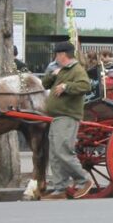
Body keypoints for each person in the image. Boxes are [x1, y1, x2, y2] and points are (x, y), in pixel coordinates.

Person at [40, 41, 94, 200]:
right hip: (57, 117)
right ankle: (60, 189)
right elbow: (44, 84)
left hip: (67, 116)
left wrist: (65, 86)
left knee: (63, 150)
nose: (55, 58)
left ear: (62, 55)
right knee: (55, 154)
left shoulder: (77, 69)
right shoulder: (61, 70)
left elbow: (85, 86)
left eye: (56, 55)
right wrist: (53, 74)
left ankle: (83, 180)